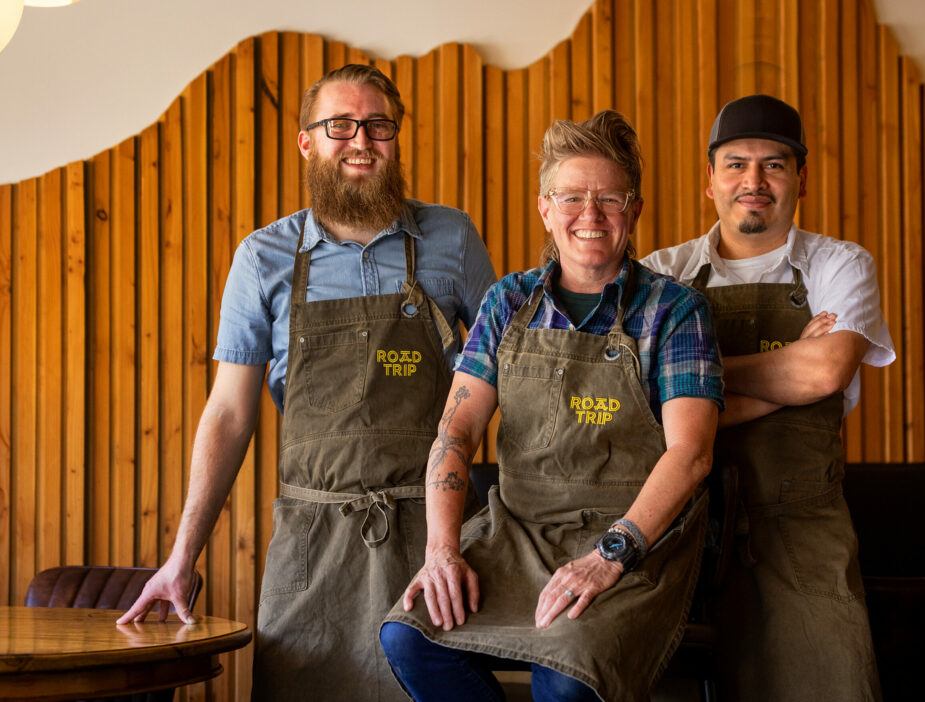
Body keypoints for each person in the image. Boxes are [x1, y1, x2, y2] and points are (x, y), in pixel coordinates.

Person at [117, 64, 497, 701]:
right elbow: (229, 416)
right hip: (309, 549)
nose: (360, 141)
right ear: (307, 142)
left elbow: (502, 381)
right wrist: (183, 555)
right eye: (339, 125)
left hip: (430, 541)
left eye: (378, 126)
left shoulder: (451, 238)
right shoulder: (262, 257)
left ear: (396, 137)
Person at [379, 110, 724, 702]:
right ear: (545, 208)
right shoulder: (507, 301)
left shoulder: (675, 310)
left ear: (634, 210)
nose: (589, 215)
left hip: (634, 540)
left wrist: (610, 555)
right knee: (410, 638)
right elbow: (457, 429)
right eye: (570, 197)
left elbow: (690, 454)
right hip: (518, 534)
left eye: (609, 198)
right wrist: (441, 551)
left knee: (568, 675)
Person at [642, 94, 895, 701]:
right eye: (736, 164)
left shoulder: (841, 264)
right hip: (676, 524)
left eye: (773, 164)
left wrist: (694, 377)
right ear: (710, 180)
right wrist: (787, 383)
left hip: (802, 531)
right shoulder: (661, 274)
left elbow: (827, 372)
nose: (753, 181)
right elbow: (637, 398)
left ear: (800, 178)